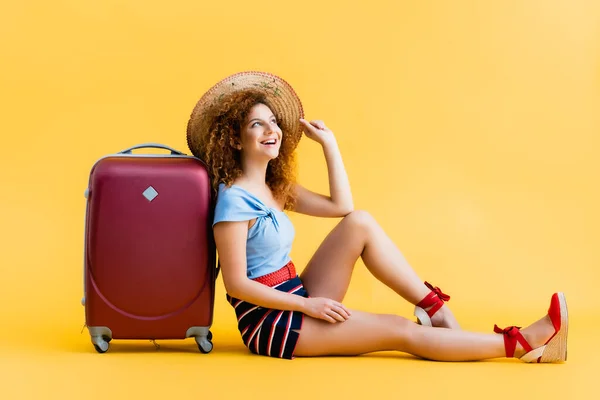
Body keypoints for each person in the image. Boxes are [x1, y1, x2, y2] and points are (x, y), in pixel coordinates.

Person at [186, 71, 568, 362]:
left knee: (360, 223)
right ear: (235, 139)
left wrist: (330, 146)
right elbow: (236, 285)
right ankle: (521, 344)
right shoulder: (234, 201)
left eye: (274, 122)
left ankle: (435, 309)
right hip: (273, 323)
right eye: (257, 124)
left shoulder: (274, 187)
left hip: (297, 295)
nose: (272, 130)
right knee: (398, 330)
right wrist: (308, 306)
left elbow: (342, 208)